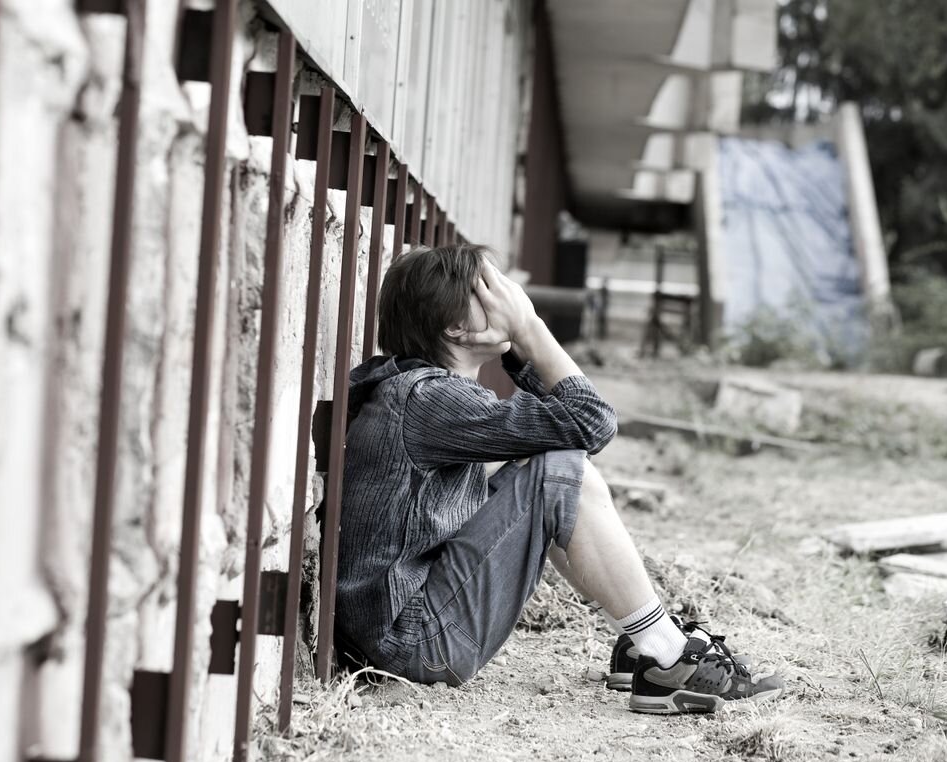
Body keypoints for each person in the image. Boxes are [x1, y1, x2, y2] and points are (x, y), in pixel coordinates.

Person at [334, 244, 784, 714]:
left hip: (401, 630)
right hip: (413, 644)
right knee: (559, 471)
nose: (510, 297)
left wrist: (519, 346)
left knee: (548, 466)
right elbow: (592, 421)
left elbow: (567, 427)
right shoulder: (430, 399)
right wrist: (529, 328)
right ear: (456, 327)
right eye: (488, 290)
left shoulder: (421, 389)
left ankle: (646, 644)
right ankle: (668, 656)